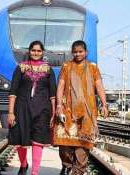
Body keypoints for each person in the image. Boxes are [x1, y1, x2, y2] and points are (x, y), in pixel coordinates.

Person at [52, 40, 108, 175]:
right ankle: (66, 165)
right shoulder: (66, 66)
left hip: (87, 112)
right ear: (72, 52)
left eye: (80, 51)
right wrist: (59, 105)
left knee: (82, 144)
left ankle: (78, 171)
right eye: (75, 52)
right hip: (67, 109)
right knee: (64, 142)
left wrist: (104, 104)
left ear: (86, 52)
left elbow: (99, 86)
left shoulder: (93, 68)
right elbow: (60, 86)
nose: (77, 54)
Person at [7, 40, 56, 175]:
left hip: (42, 110)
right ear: (29, 51)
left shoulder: (48, 69)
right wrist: (11, 112)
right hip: (22, 109)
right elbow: (13, 91)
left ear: (42, 52)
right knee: (20, 138)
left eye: (39, 51)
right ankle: (23, 164)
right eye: (33, 50)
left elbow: (53, 93)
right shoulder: (20, 68)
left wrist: (53, 113)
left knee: (38, 141)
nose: (36, 53)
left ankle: (35, 172)